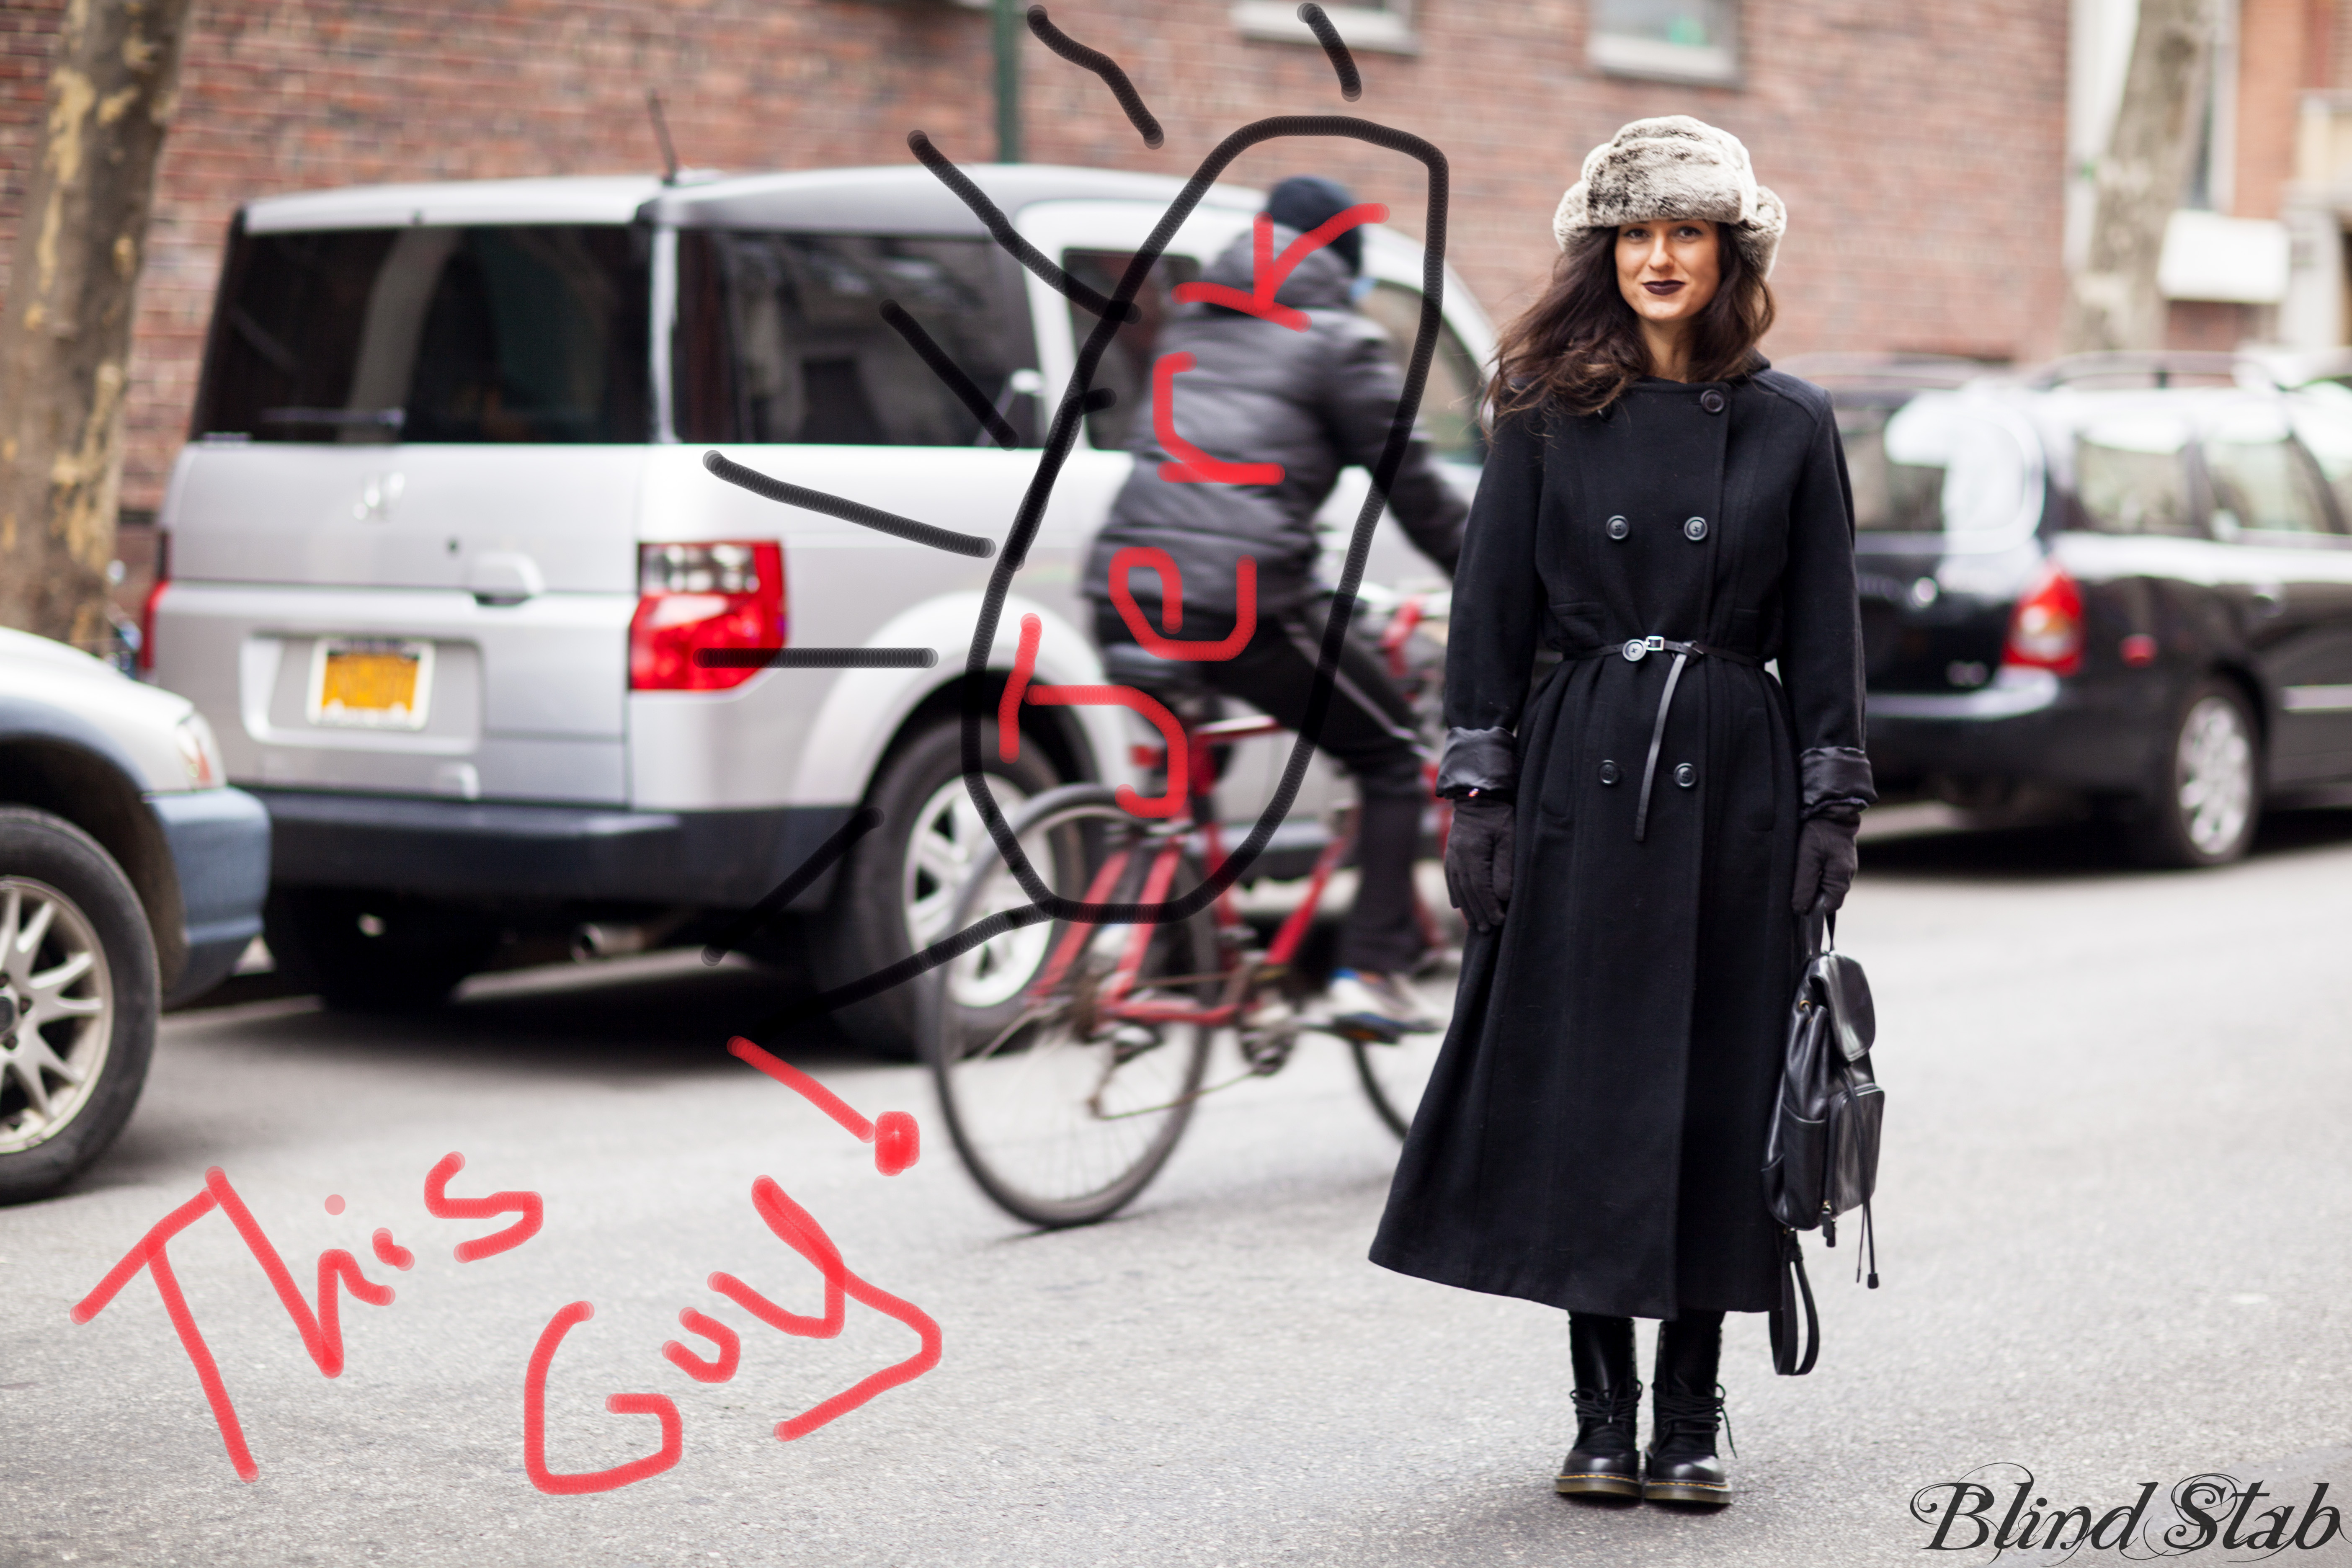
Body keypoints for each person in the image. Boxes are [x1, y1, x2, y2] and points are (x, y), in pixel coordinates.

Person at [1369, 118, 1874, 1506]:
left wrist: (1831, 800)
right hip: (1579, 777)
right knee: (1587, 1092)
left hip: (1737, 787)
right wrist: (1476, 788)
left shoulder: (1789, 423)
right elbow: (1489, 618)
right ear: (1608, 251)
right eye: (1636, 233)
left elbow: (1824, 633)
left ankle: (1692, 1408)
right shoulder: (1538, 403)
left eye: (1686, 233)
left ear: (1728, 254)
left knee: (1717, 1093)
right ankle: (1598, 1409)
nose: (1659, 257)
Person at [1084, 175, 1468, 1037]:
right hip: (1242, 596)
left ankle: (1133, 958)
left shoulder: (1192, 318)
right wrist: (1496, 574)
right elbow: (1418, 495)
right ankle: (1366, 971)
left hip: (1126, 583)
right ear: (1344, 260)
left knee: (1182, 773)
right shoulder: (1339, 342)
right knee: (1390, 756)